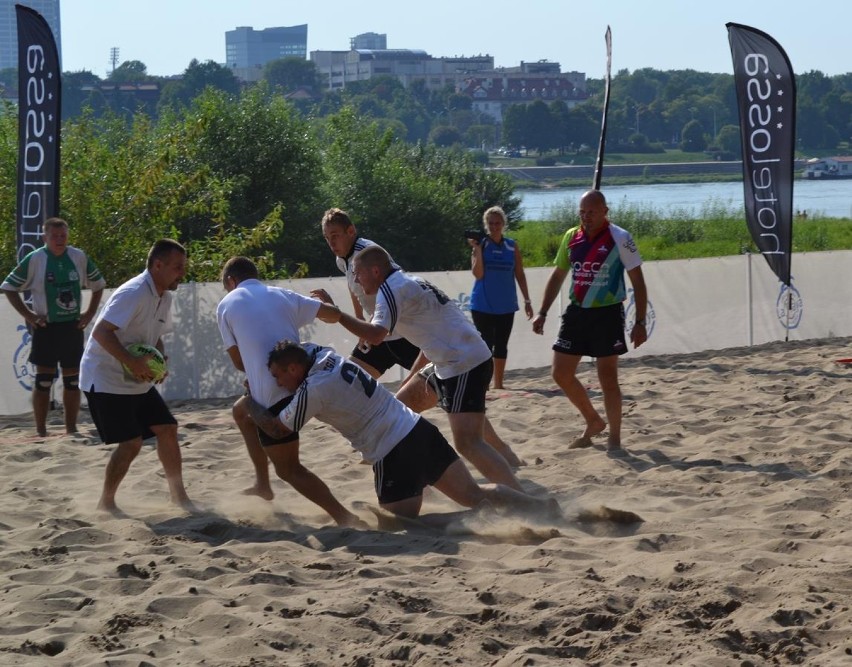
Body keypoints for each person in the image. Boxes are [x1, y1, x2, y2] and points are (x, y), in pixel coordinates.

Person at [246, 341, 555, 521]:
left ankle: (467, 524)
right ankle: (541, 507)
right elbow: (296, 351)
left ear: (293, 369)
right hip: (419, 429)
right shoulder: (323, 353)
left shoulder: (313, 389)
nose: (276, 383)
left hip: (393, 450)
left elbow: (275, 429)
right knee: (474, 493)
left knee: (397, 522)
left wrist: (249, 401)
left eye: (277, 376)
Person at [325, 244, 525, 490]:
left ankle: (522, 499)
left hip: (464, 364)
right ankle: (415, 482)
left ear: (376, 271)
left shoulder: (390, 291)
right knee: (399, 412)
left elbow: (375, 336)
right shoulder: (406, 282)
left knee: (468, 443)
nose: (354, 279)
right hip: (448, 361)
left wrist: (338, 315)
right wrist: (411, 378)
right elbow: (428, 340)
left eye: (358, 273)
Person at [216, 256, 362, 527]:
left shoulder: (226, 304)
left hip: (274, 396)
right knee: (241, 412)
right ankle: (262, 485)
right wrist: (330, 304)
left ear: (230, 281)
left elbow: (238, 363)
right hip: (305, 382)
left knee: (289, 469)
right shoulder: (281, 294)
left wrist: (255, 375)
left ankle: (344, 517)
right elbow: (332, 315)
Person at [80, 239, 194, 513]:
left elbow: (156, 339)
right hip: (105, 378)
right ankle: (105, 503)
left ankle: (179, 498)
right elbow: (100, 333)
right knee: (131, 443)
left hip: (134, 378)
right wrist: (133, 362)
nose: (182, 273)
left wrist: (158, 362)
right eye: (178, 267)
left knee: (167, 429)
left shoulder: (164, 296)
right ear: (158, 265)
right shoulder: (133, 292)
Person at [531, 189, 648, 451]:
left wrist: (640, 322)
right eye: (582, 212)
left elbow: (638, 283)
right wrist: (543, 311)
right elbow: (559, 275)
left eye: (592, 212)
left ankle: (615, 438)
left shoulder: (620, 238)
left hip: (607, 314)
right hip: (577, 312)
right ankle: (593, 420)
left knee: (607, 378)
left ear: (605, 211)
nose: (586, 217)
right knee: (560, 373)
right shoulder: (572, 237)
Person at [2, 217, 106, 436]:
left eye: (63, 235)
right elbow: (9, 287)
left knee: (72, 381)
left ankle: (71, 428)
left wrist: (89, 313)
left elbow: (98, 285)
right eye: (55, 236)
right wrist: (28, 315)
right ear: (45, 237)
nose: (60, 240)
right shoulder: (35, 259)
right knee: (43, 381)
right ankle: (40, 430)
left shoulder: (78, 257)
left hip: (72, 326)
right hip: (46, 327)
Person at [311, 208, 420, 381]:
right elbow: (353, 283)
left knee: (438, 386)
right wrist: (360, 317)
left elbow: (396, 287)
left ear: (351, 231)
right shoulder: (342, 260)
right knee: (349, 383)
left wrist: (368, 324)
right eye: (326, 238)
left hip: (406, 333)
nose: (331, 243)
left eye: (335, 235)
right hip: (380, 334)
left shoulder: (369, 253)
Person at [468, 206, 534, 389]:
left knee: (501, 344)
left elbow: (519, 274)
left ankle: (498, 383)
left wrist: (527, 300)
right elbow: (478, 274)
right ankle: (484, 383)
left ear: (503, 224)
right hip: (483, 304)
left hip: (506, 304)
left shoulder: (511, 246)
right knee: (485, 346)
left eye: (498, 223)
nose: (494, 227)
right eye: (491, 223)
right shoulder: (481, 245)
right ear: (486, 225)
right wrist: (478, 250)